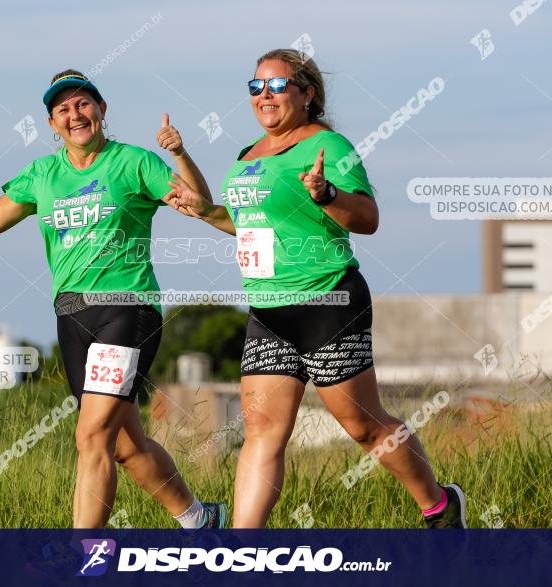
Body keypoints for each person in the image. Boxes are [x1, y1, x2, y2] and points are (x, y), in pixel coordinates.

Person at [166, 50, 467, 528]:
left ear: (306, 94)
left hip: (328, 302)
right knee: (262, 430)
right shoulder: (246, 156)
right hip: (268, 311)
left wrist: (326, 194)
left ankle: (438, 505)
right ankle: (242, 554)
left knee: (363, 426)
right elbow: (251, 226)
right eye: (256, 87)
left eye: (278, 86)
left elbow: (367, 219)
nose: (265, 96)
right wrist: (206, 211)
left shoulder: (328, 146)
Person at [0, 69, 227, 529]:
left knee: (91, 435)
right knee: (124, 445)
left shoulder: (133, 162)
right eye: (62, 109)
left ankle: (84, 558)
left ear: (102, 110)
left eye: (83, 104)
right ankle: (200, 521)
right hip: (71, 315)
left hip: (126, 309)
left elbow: (197, 202)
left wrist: (178, 153)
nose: (75, 114)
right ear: (52, 124)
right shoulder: (42, 173)